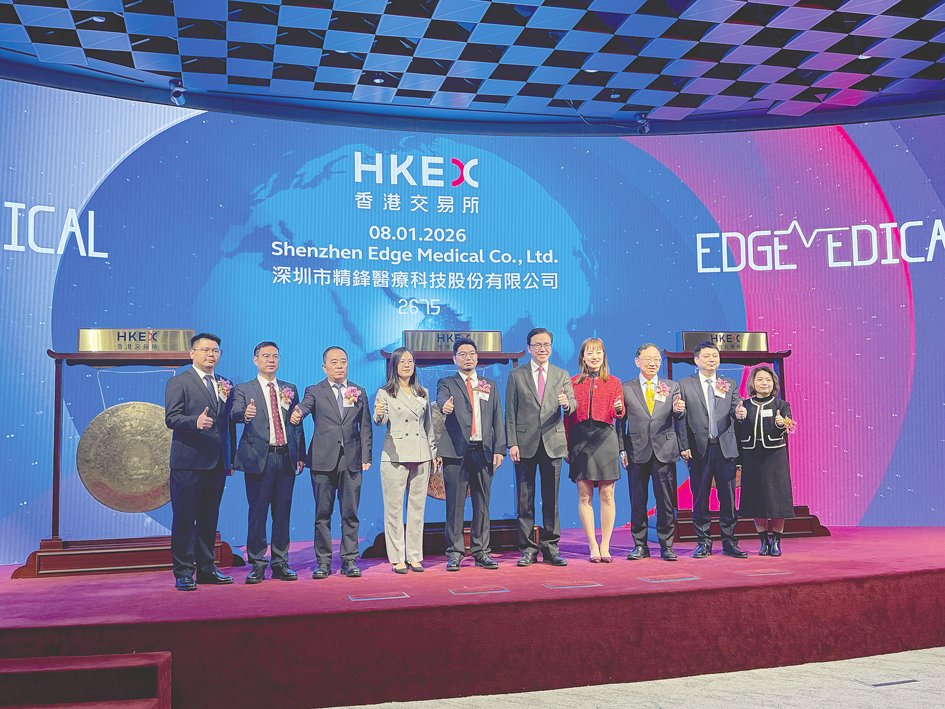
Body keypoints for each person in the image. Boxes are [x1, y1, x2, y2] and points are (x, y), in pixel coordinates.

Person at [290, 346, 372, 579]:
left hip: (352, 459)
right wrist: (298, 412)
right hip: (322, 460)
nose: (339, 366)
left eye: (343, 362)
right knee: (322, 514)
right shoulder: (314, 390)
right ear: (324, 367)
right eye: (334, 362)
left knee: (350, 513)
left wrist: (366, 456)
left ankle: (349, 560)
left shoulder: (359, 391)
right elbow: (305, 406)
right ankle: (324, 562)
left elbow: (365, 427)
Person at [164, 332, 235, 591]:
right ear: (192, 353)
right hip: (188, 463)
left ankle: (207, 569)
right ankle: (183, 572)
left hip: (216, 463)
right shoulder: (179, 382)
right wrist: (195, 421)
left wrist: (230, 458)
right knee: (185, 519)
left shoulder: (225, 384)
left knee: (208, 518)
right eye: (205, 350)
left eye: (215, 351)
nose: (210, 355)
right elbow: (171, 418)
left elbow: (227, 425)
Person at [230, 341, 306, 584]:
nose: (271, 360)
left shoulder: (289, 388)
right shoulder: (244, 389)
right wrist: (244, 415)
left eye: (275, 356)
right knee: (258, 513)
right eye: (265, 356)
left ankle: (280, 562)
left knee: (282, 513)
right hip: (258, 459)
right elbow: (234, 412)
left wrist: (300, 455)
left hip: (285, 457)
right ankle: (257, 563)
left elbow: (297, 424)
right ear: (256, 360)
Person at [506, 327, 576, 567]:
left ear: (551, 347)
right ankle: (527, 549)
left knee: (551, 500)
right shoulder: (516, 375)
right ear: (529, 348)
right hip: (524, 444)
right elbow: (510, 412)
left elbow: (573, 404)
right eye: (537, 345)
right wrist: (512, 443)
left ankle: (550, 548)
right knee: (525, 500)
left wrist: (567, 404)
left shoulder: (561, 374)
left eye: (546, 344)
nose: (542, 349)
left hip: (553, 444)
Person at [436, 337, 506, 571]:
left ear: (477, 357)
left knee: (482, 504)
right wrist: (445, 406)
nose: (468, 358)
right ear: (454, 358)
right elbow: (441, 399)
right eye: (463, 354)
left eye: (472, 354)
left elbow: (497, 418)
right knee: (454, 505)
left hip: (483, 451)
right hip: (456, 452)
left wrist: (499, 449)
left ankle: (481, 551)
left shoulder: (489, 385)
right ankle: (455, 552)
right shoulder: (447, 382)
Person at [676, 340, 749, 558]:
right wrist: (684, 445)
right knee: (700, 497)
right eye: (707, 356)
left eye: (715, 356)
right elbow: (680, 418)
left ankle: (729, 542)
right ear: (696, 360)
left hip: (725, 448)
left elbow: (737, 408)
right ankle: (703, 542)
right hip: (699, 449)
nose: (711, 360)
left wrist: (740, 413)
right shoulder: (684, 384)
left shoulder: (728, 383)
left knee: (728, 497)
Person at [619, 343, 685, 562]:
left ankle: (667, 545)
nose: (653, 363)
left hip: (664, 450)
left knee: (665, 501)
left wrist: (679, 411)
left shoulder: (672, 386)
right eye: (648, 359)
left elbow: (679, 417)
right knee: (638, 500)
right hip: (636, 450)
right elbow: (620, 422)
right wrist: (621, 449)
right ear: (637, 361)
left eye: (656, 359)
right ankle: (640, 545)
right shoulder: (626, 388)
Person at [374, 347, 436, 574]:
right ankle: (397, 557)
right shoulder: (384, 393)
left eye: (410, 361)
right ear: (394, 366)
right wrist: (379, 412)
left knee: (417, 508)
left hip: (421, 453)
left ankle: (414, 555)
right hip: (395, 455)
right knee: (393, 509)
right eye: (402, 362)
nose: (407, 365)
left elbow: (429, 427)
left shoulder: (423, 392)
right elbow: (380, 421)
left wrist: (433, 453)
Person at [564, 337, 624, 563]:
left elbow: (619, 412)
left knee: (607, 494)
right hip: (580, 439)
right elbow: (567, 418)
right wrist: (566, 445)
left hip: (605, 438)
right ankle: (592, 545)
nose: (594, 357)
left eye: (598, 352)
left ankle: (605, 544)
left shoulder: (614, 382)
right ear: (583, 357)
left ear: (604, 356)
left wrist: (618, 408)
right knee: (584, 494)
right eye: (590, 353)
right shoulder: (572, 382)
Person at [735, 365, 795, 557]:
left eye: (768, 380)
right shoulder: (744, 405)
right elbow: (736, 431)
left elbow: (790, 425)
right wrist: (739, 418)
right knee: (757, 500)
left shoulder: (781, 405)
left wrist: (782, 423)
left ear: (773, 383)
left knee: (777, 500)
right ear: (753, 383)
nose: (764, 383)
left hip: (775, 458)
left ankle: (776, 541)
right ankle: (763, 541)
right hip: (751, 457)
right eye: (760, 379)